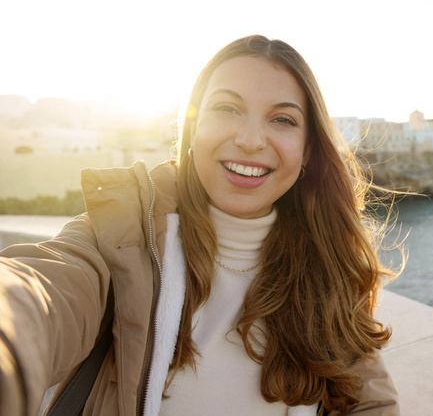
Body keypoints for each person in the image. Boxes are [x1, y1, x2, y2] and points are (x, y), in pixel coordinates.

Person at [0, 35, 403, 415]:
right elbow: (44, 295)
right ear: (193, 128)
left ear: (307, 150)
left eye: (282, 119)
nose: (249, 140)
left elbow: (369, 401)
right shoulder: (121, 238)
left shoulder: (327, 270)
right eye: (227, 109)